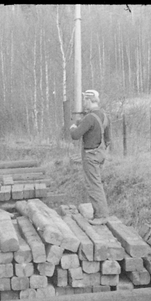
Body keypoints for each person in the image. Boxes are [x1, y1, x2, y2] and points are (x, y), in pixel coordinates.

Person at [68, 88, 110, 222]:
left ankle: (101, 215)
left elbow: (75, 135)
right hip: (100, 154)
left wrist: (73, 127)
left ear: (89, 100)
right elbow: (108, 139)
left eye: (84, 100)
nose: (83, 103)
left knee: (93, 186)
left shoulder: (89, 118)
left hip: (90, 156)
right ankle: (101, 213)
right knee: (97, 184)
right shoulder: (104, 116)